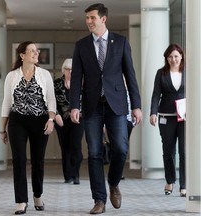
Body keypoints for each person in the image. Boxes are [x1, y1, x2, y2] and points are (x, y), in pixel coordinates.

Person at [69, 3, 142, 214]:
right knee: (94, 152)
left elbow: (130, 75)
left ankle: (113, 182)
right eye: (87, 18)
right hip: (92, 106)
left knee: (120, 148)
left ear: (103, 19)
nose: (89, 21)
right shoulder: (81, 45)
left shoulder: (120, 42)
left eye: (92, 18)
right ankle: (99, 199)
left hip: (116, 104)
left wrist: (136, 105)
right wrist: (75, 105)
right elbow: (76, 80)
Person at [0, 41, 56, 214]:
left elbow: (51, 99)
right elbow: (7, 103)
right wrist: (3, 129)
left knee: (37, 161)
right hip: (17, 122)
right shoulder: (11, 76)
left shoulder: (45, 74)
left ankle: (37, 195)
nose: (36, 53)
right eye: (31, 50)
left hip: (40, 121)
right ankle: (21, 201)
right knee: (19, 160)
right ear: (22, 55)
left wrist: (51, 119)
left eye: (36, 50)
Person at [149, 43, 186, 197]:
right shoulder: (161, 73)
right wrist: (153, 113)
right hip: (166, 116)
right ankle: (170, 181)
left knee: (184, 151)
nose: (173, 59)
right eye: (170, 57)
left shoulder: (187, 72)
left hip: (184, 116)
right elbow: (156, 94)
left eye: (176, 56)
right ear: (166, 58)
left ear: (181, 56)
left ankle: (184, 185)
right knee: (168, 151)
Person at [54, 58, 84, 185]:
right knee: (65, 147)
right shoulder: (56, 83)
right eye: (67, 69)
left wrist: (82, 112)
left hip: (78, 119)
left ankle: (75, 174)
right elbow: (50, 101)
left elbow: (88, 101)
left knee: (76, 146)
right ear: (63, 70)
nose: (70, 72)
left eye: (72, 69)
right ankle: (68, 175)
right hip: (61, 119)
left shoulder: (81, 83)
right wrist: (56, 115)